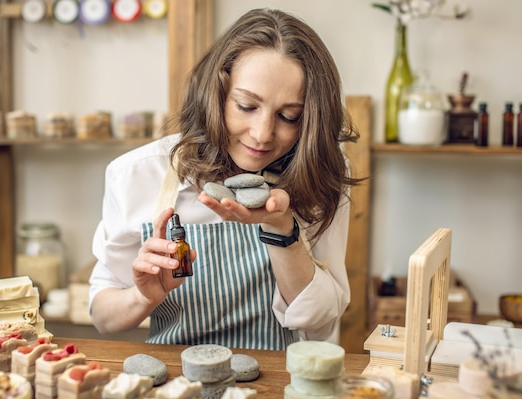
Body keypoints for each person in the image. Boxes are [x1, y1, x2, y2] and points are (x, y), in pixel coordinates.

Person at [89, 8, 363, 351]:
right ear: (215, 93)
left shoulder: (319, 173)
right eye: (247, 106)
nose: (263, 135)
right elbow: (103, 316)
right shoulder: (137, 174)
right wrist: (142, 297)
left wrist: (282, 230)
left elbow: (320, 325)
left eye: (288, 116)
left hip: (279, 379)